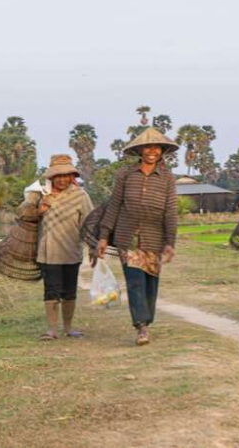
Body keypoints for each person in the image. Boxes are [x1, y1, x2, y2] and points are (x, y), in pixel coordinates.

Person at [95, 127, 178, 346]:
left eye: (156, 147)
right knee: (135, 282)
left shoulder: (168, 178)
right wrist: (104, 236)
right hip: (128, 236)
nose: (152, 151)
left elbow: (170, 210)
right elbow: (114, 206)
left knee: (151, 283)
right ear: (140, 150)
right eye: (147, 147)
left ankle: (146, 320)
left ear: (162, 151)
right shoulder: (125, 175)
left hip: (155, 237)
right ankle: (141, 326)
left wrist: (170, 242)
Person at [36, 154, 94, 340]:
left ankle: (68, 328)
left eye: (66, 175)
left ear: (72, 176)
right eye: (58, 176)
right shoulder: (41, 194)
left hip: (71, 251)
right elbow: (24, 216)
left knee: (69, 291)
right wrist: (39, 209)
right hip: (48, 252)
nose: (62, 179)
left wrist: (94, 244)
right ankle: (52, 329)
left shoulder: (81, 196)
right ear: (51, 177)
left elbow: (89, 221)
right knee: (51, 290)